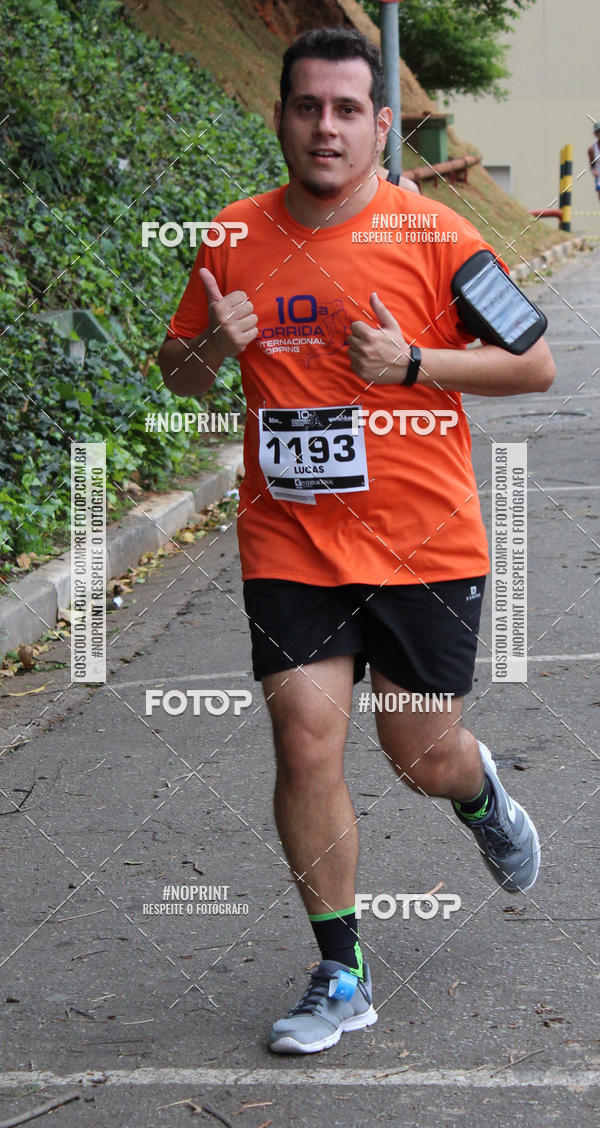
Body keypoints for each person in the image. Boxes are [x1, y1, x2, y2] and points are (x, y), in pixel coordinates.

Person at [159, 27, 555, 1056]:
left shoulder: (439, 237)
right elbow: (179, 374)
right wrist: (211, 344)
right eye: (306, 107)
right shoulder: (233, 237)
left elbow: (536, 363)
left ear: (382, 124)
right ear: (281, 116)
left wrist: (417, 363)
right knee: (303, 733)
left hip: (423, 544)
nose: (324, 127)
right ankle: (341, 970)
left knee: (417, 752)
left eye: (346, 110)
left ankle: (477, 792)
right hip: (290, 540)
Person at [588, 122, 600, 203]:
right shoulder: (592, 149)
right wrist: (595, 172)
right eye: (598, 132)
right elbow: (592, 166)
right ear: (595, 134)